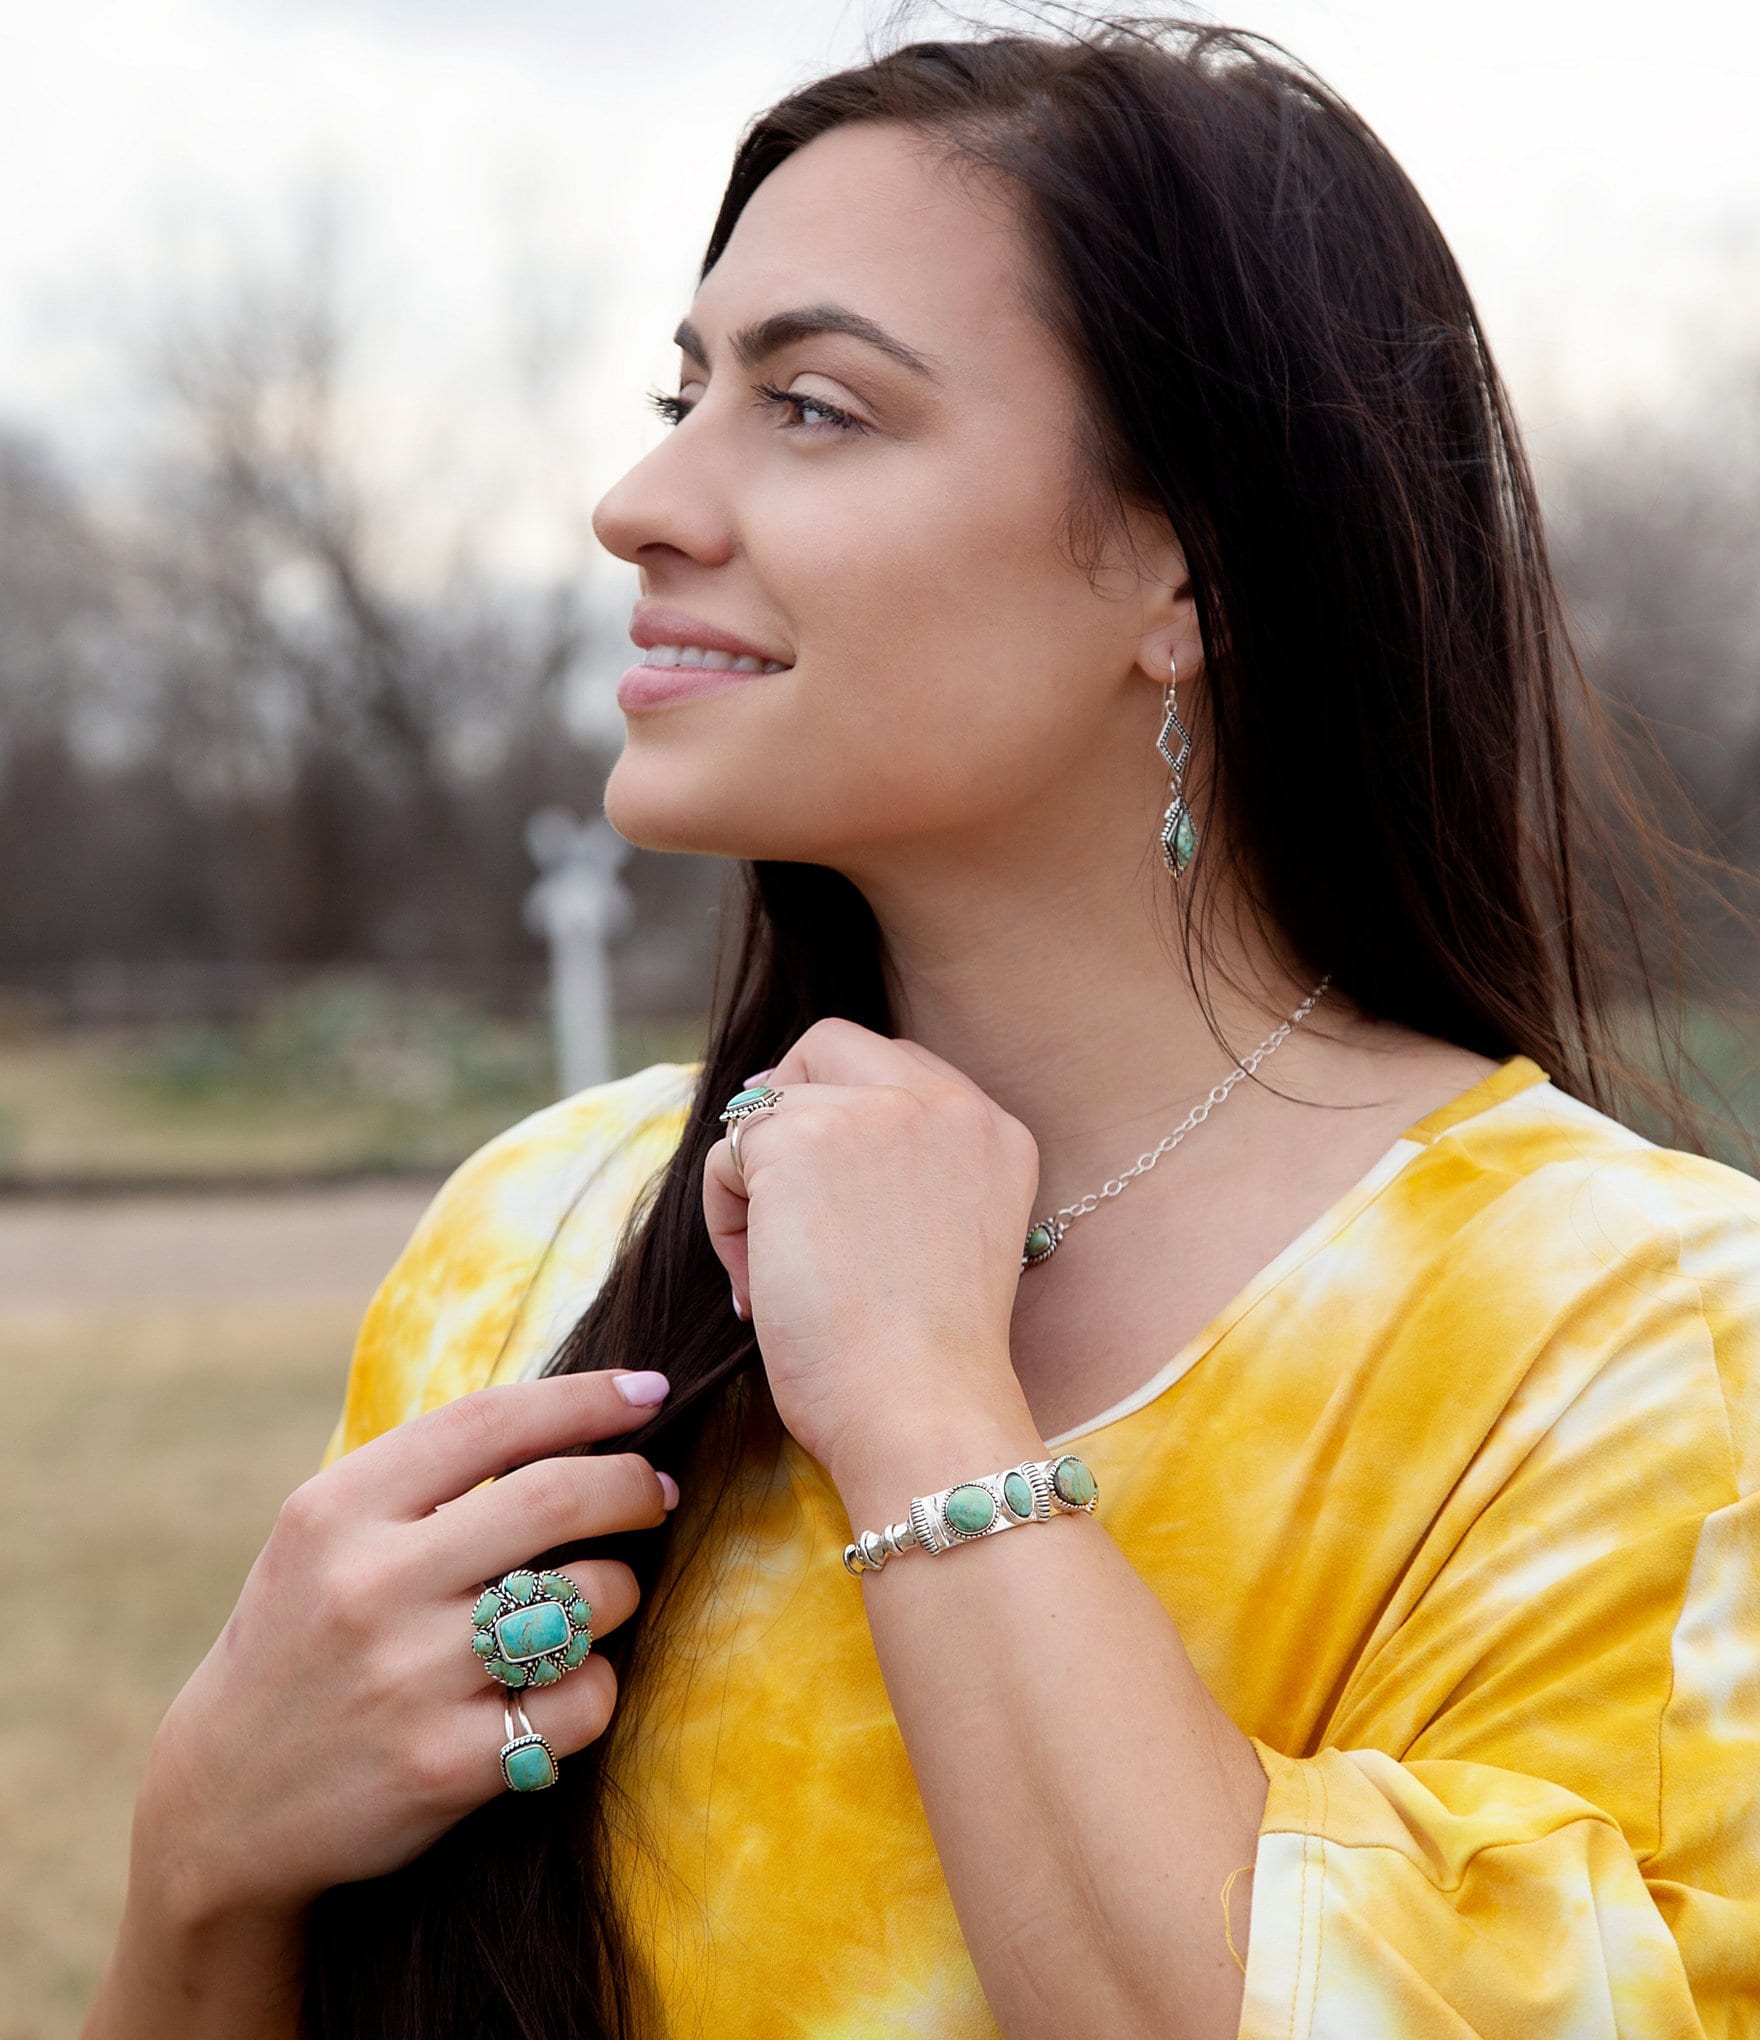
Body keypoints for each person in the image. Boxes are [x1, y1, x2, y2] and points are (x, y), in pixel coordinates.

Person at [84, 17, 1760, 2040]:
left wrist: (922, 1403)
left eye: (810, 407)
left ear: (1186, 569)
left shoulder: (1631, 1340)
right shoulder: (537, 1227)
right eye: (681, 391)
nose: (638, 500)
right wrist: (203, 1846)